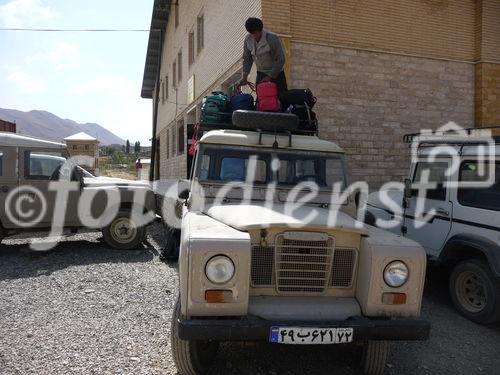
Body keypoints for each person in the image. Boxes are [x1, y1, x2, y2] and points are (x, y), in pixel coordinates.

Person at [241, 17, 287, 95]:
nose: (254, 36)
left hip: (277, 74)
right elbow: (247, 59)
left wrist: (270, 76)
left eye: (255, 33)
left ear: (261, 30)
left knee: (282, 99)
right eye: (251, 34)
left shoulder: (272, 38)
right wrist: (244, 76)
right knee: (261, 99)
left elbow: (281, 59)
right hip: (261, 73)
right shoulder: (248, 39)